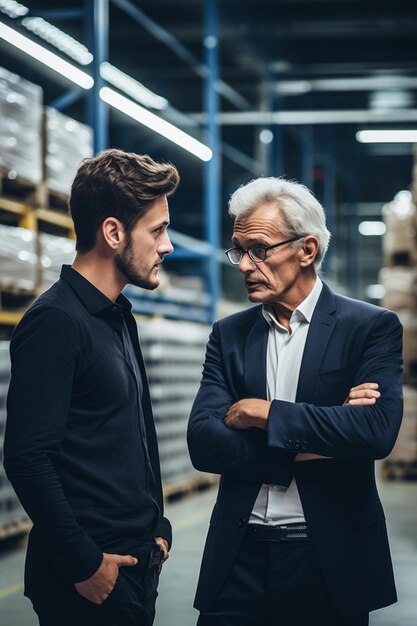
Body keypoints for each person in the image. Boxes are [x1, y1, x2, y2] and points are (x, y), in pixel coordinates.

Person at [187, 176, 403, 626]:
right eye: (239, 250)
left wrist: (262, 413)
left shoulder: (369, 328)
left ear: (306, 250)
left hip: (329, 557)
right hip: (237, 557)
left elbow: (375, 433)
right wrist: (326, 432)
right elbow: (203, 443)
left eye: (259, 249)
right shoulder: (229, 335)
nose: (245, 265)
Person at [4, 148, 180, 626]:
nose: (167, 246)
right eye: (158, 230)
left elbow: (133, 434)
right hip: (87, 582)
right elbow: (27, 456)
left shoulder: (117, 317)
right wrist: (85, 563)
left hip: (135, 567)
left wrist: (157, 526)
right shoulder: (56, 322)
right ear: (112, 232)